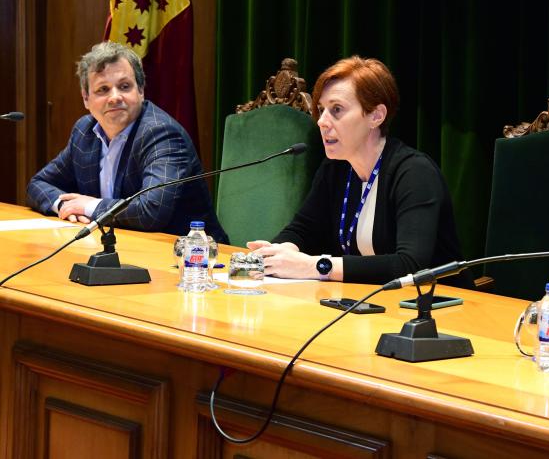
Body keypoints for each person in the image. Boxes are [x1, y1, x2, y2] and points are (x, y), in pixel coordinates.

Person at [248, 56, 472, 288]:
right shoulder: (336, 168)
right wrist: (280, 253)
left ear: (376, 116)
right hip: (369, 304)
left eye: (336, 110)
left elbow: (410, 265)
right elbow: (303, 229)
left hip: (441, 307)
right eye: (321, 110)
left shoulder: (414, 173)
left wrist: (314, 266)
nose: (322, 122)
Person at [26, 42, 227, 243]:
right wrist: (64, 207)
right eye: (103, 89)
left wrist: (88, 206)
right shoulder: (84, 132)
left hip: (192, 260)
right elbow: (39, 184)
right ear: (86, 99)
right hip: (120, 250)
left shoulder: (161, 133)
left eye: (124, 86)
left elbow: (151, 211)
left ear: (140, 91)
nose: (114, 97)